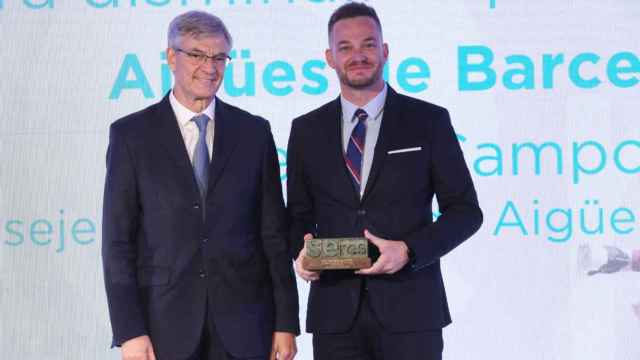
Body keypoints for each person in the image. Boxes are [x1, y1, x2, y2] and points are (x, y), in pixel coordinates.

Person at [286, 3, 482, 359]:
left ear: (385, 50)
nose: (357, 55)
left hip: (412, 312)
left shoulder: (428, 121)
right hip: (335, 315)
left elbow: (466, 212)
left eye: (368, 44)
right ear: (329, 57)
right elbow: (298, 215)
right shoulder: (305, 130)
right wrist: (300, 253)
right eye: (345, 47)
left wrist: (408, 251)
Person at [102, 10, 299, 360]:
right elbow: (117, 242)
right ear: (171, 57)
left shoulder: (254, 133)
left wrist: (285, 322)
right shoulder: (132, 135)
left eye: (219, 57)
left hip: (246, 324)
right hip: (164, 324)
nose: (210, 67)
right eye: (197, 54)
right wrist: (130, 330)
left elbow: (273, 236)